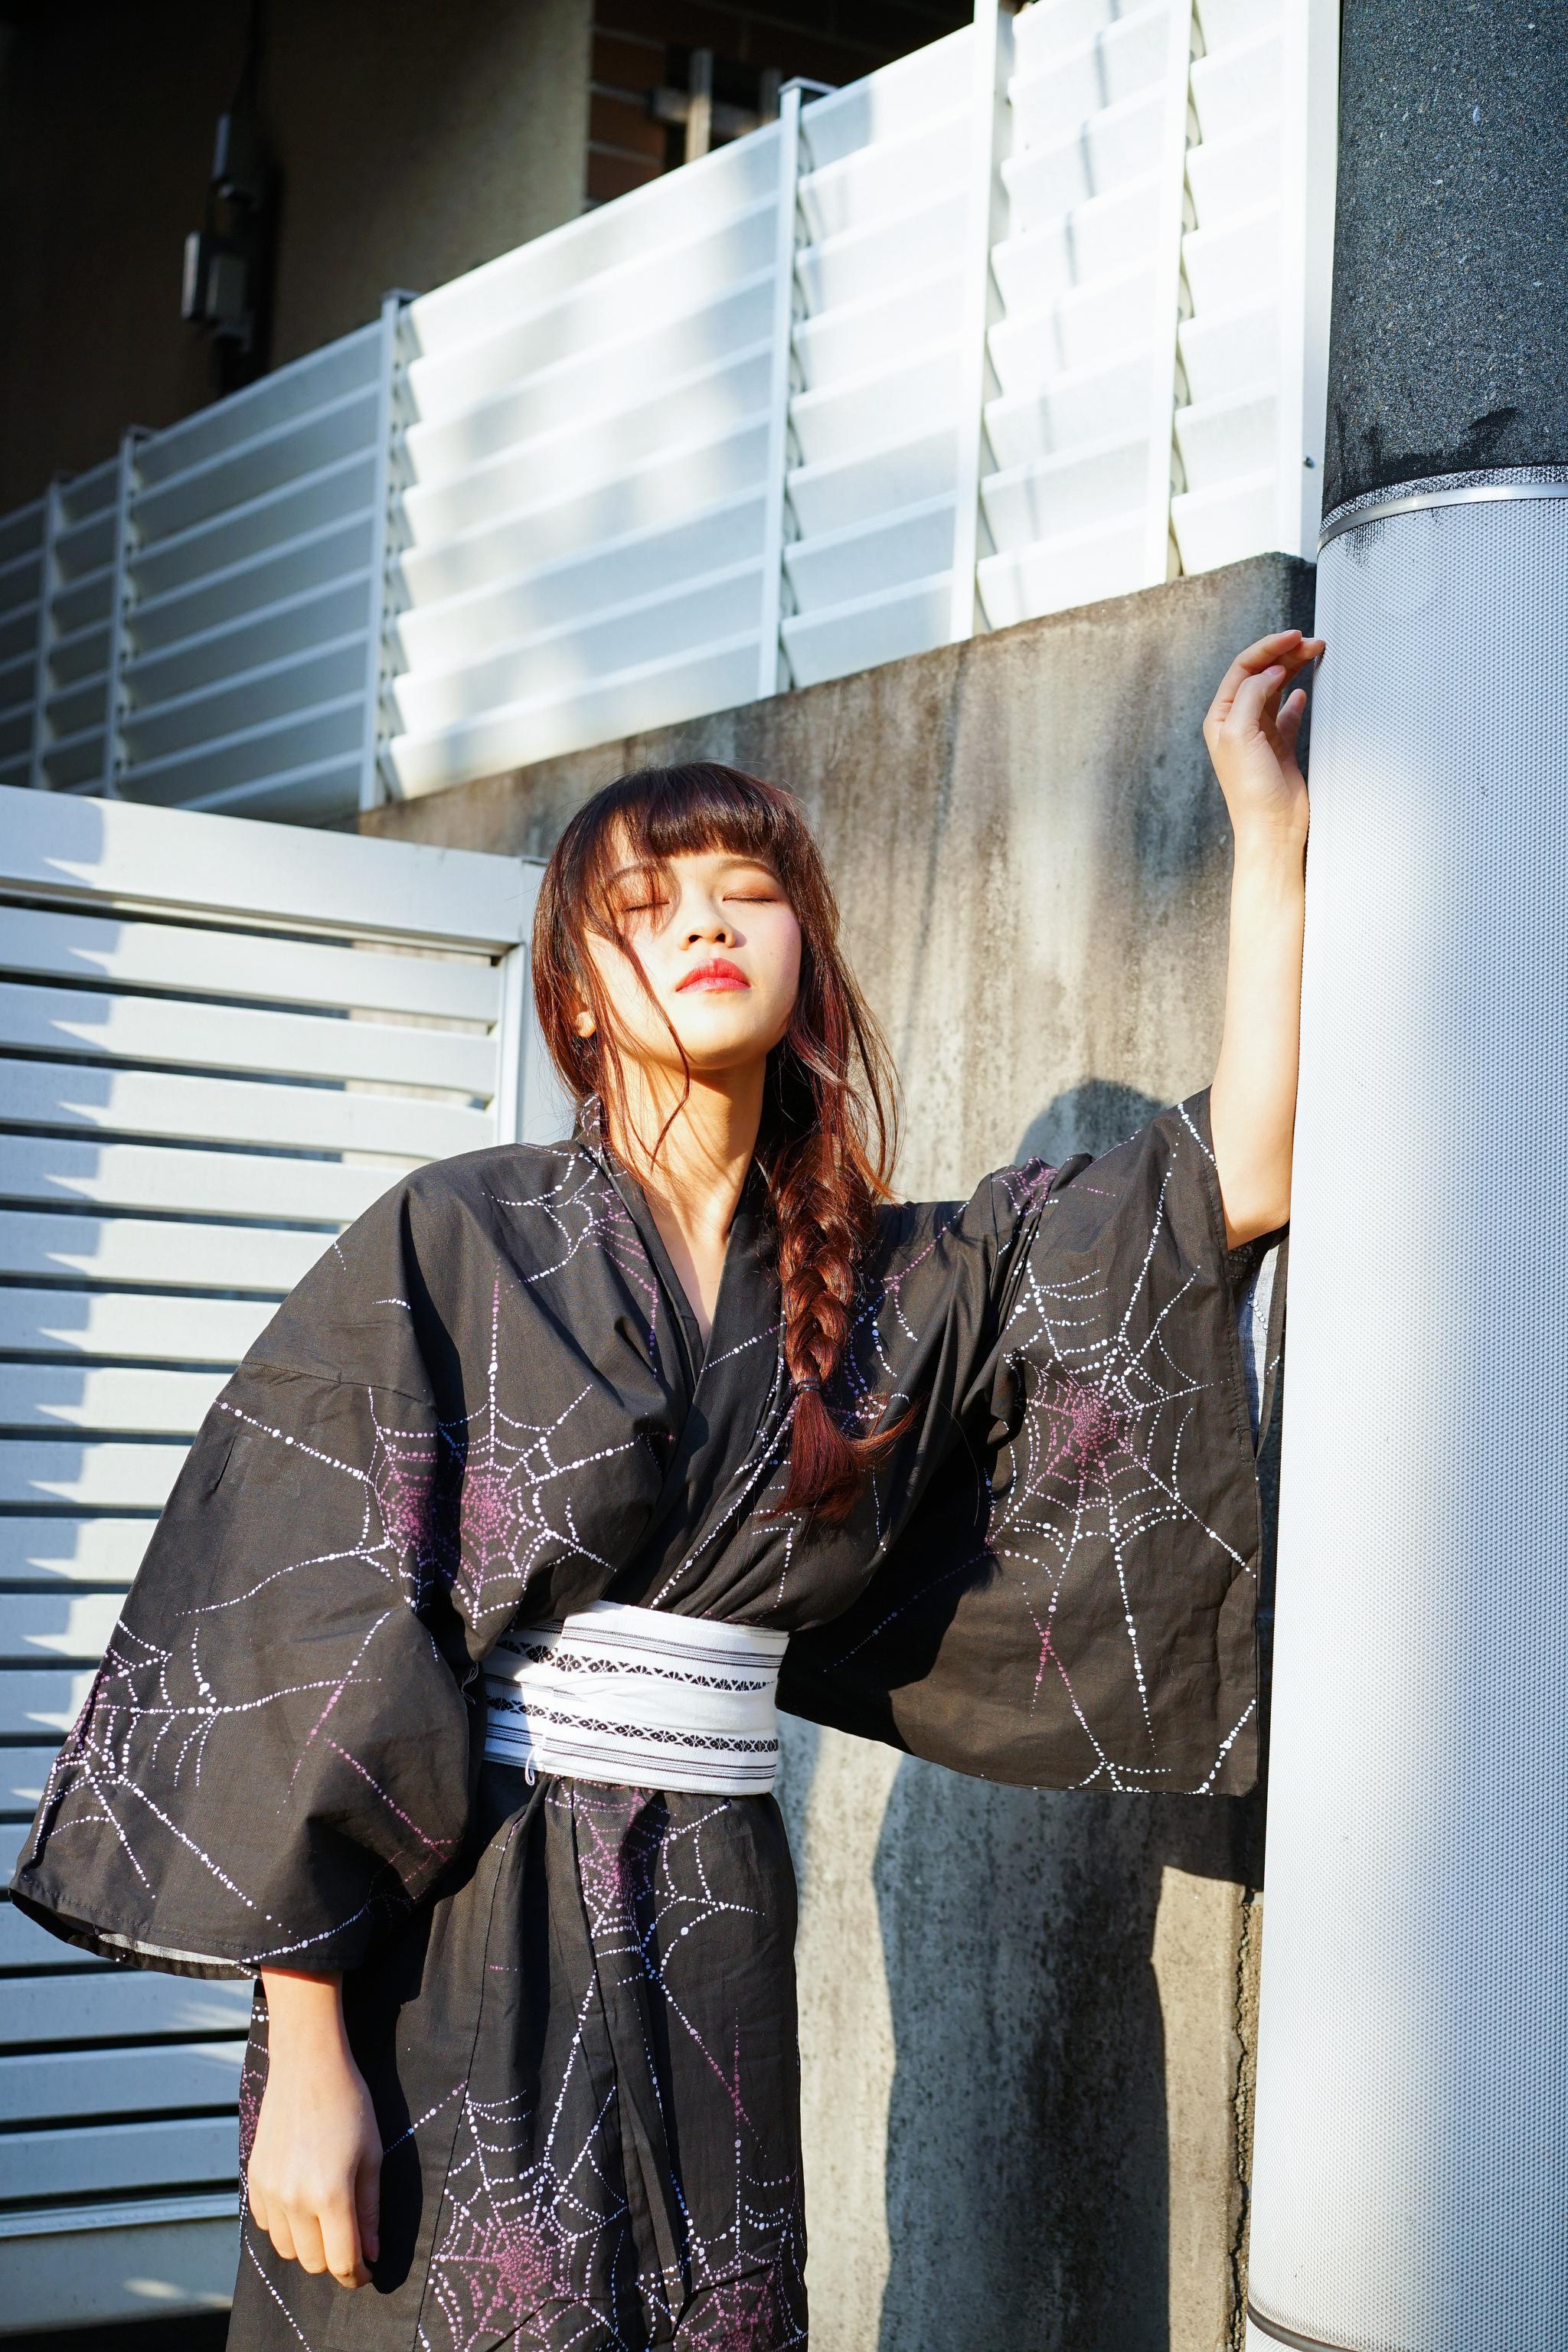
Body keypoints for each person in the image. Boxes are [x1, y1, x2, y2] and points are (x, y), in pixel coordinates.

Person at [10, 629, 1319, 2350]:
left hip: (712, 1909)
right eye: (645, 905)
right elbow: (315, 1630)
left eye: (747, 891)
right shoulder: (458, 1237)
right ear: (573, 992)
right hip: (462, 1924)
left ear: (805, 957)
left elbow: (1240, 1174)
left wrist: (1267, 829)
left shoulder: (899, 1288)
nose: (705, 923)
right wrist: (307, 2051)